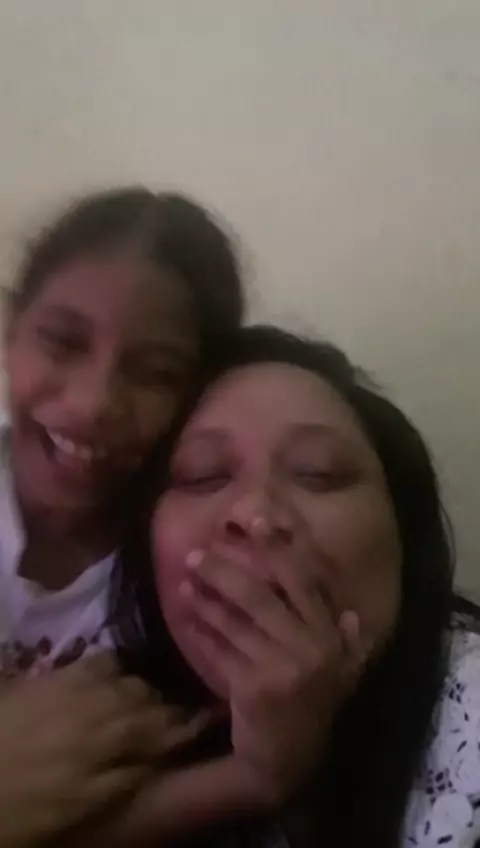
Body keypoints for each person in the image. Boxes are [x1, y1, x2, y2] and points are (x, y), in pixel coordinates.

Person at [102, 325, 479, 847]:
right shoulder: (100, 727)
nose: (255, 514)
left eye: (318, 474)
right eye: (204, 475)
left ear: (403, 531)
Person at [0, 186, 244, 845]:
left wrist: (258, 779)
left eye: (155, 374)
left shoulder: (187, 581)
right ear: (10, 329)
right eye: (62, 342)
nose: (93, 404)